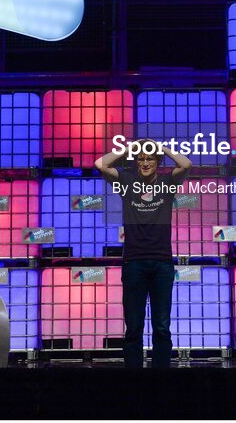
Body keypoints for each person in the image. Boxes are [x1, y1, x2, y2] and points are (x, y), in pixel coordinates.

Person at [95, 138, 192, 368]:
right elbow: (101, 164)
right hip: (134, 263)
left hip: (162, 264)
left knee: (161, 326)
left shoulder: (168, 183)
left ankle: (161, 381)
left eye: (150, 158)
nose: (145, 162)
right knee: (134, 327)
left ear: (158, 162)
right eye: (141, 159)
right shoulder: (127, 182)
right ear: (136, 162)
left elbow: (186, 164)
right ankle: (134, 381)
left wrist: (160, 148)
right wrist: (132, 148)